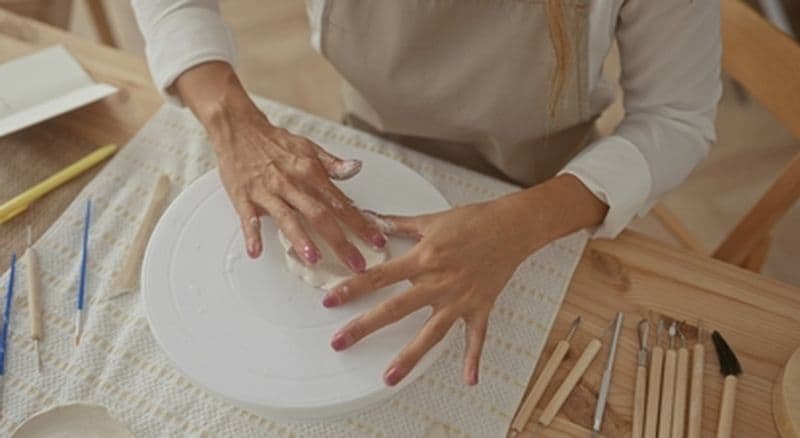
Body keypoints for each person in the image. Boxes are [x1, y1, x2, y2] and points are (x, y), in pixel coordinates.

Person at [132, 0, 721, 387]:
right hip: (370, 151)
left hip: (551, 194)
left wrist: (521, 222)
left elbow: (676, 118)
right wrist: (229, 117)